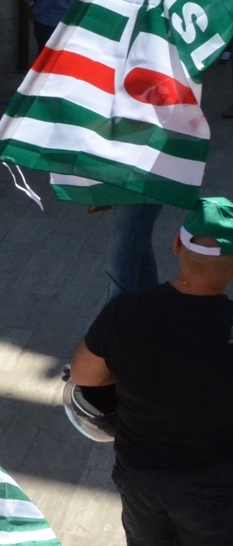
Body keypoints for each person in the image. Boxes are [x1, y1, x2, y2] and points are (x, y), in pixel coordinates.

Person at [70, 197, 233, 545]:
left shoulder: (125, 312)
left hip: (140, 480)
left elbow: (83, 376)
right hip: (213, 493)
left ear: (176, 244)